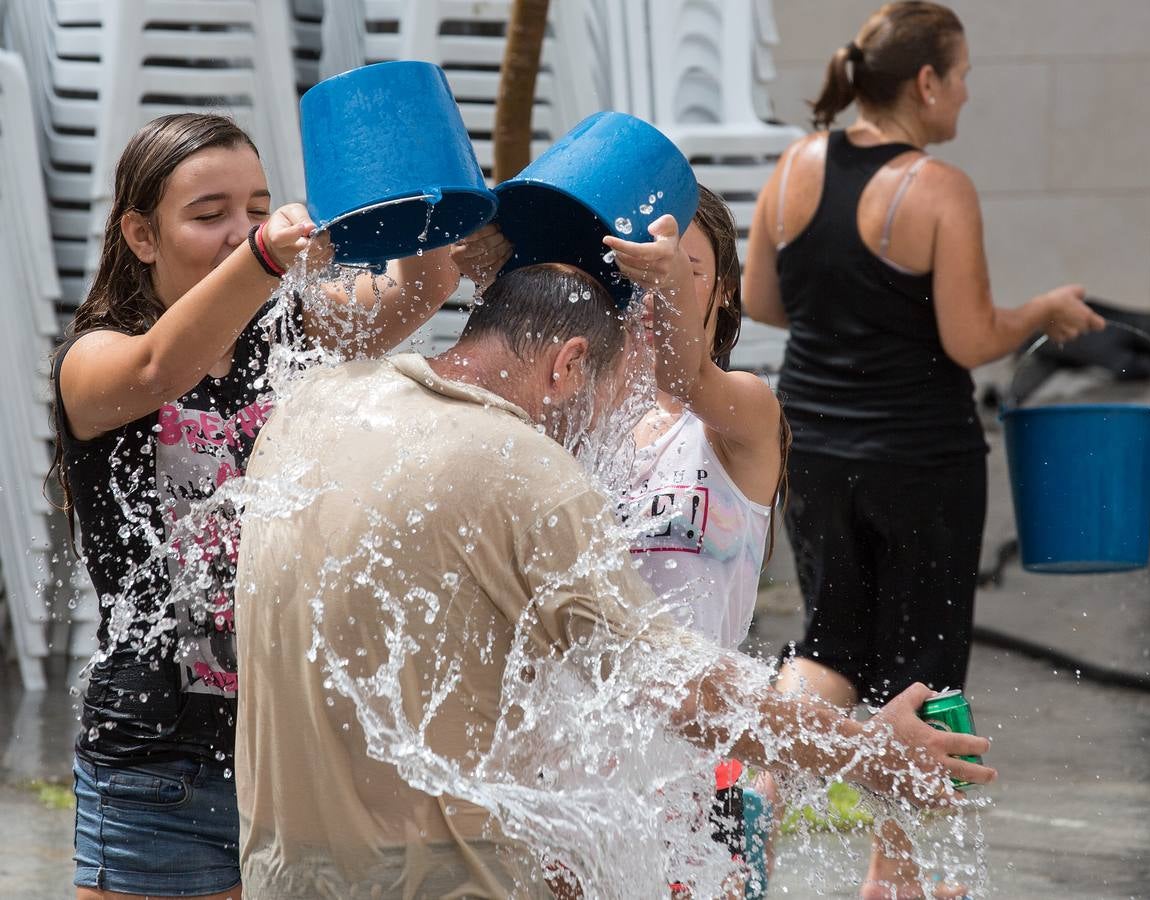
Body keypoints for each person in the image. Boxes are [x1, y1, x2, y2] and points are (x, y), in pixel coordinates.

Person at [233, 258, 995, 898]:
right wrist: (872, 751)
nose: (599, 437)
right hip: (433, 878)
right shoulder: (522, 467)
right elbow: (681, 691)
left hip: (280, 866)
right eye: (603, 404)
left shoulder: (317, 403)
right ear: (566, 365)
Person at [52, 112, 503, 900]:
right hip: (161, 767)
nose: (240, 231)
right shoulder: (94, 358)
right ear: (140, 234)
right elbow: (161, 367)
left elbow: (421, 287)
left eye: (257, 210)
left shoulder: (286, 329)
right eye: (208, 215)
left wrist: (414, 179)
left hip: (292, 756)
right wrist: (265, 256)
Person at [740, 3, 1104, 896]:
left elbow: (760, 299)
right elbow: (973, 338)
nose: (969, 94)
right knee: (925, 660)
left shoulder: (793, 169)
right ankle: (895, 875)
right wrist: (1046, 313)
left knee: (828, 641)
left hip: (814, 448)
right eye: (965, 75)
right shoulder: (937, 190)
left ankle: (756, 785)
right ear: (927, 82)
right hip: (923, 459)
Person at [607, 186, 787, 896]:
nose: (657, 291)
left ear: (724, 290)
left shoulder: (742, 413)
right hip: (587, 769)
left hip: (694, 769)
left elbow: (686, 375)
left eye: (683, 272)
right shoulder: (586, 423)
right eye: (641, 273)